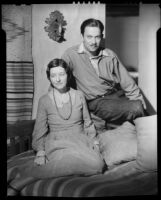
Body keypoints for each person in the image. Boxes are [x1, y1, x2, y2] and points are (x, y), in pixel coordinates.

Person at [7, 58, 105, 196]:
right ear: (49, 78)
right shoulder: (45, 100)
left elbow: (87, 122)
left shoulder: (79, 95)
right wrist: (41, 152)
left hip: (80, 140)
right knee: (73, 162)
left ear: (68, 75)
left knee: (98, 165)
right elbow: (39, 130)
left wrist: (95, 142)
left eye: (61, 74)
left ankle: (26, 175)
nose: (58, 79)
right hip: (57, 142)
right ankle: (22, 179)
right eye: (53, 76)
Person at [62, 18, 146, 125]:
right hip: (95, 102)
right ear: (82, 36)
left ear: (101, 36)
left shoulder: (110, 54)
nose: (93, 42)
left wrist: (139, 101)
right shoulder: (70, 55)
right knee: (137, 108)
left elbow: (128, 83)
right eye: (89, 37)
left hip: (116, 96)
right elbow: (59, 79)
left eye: (97, 37)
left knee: (142, 109)